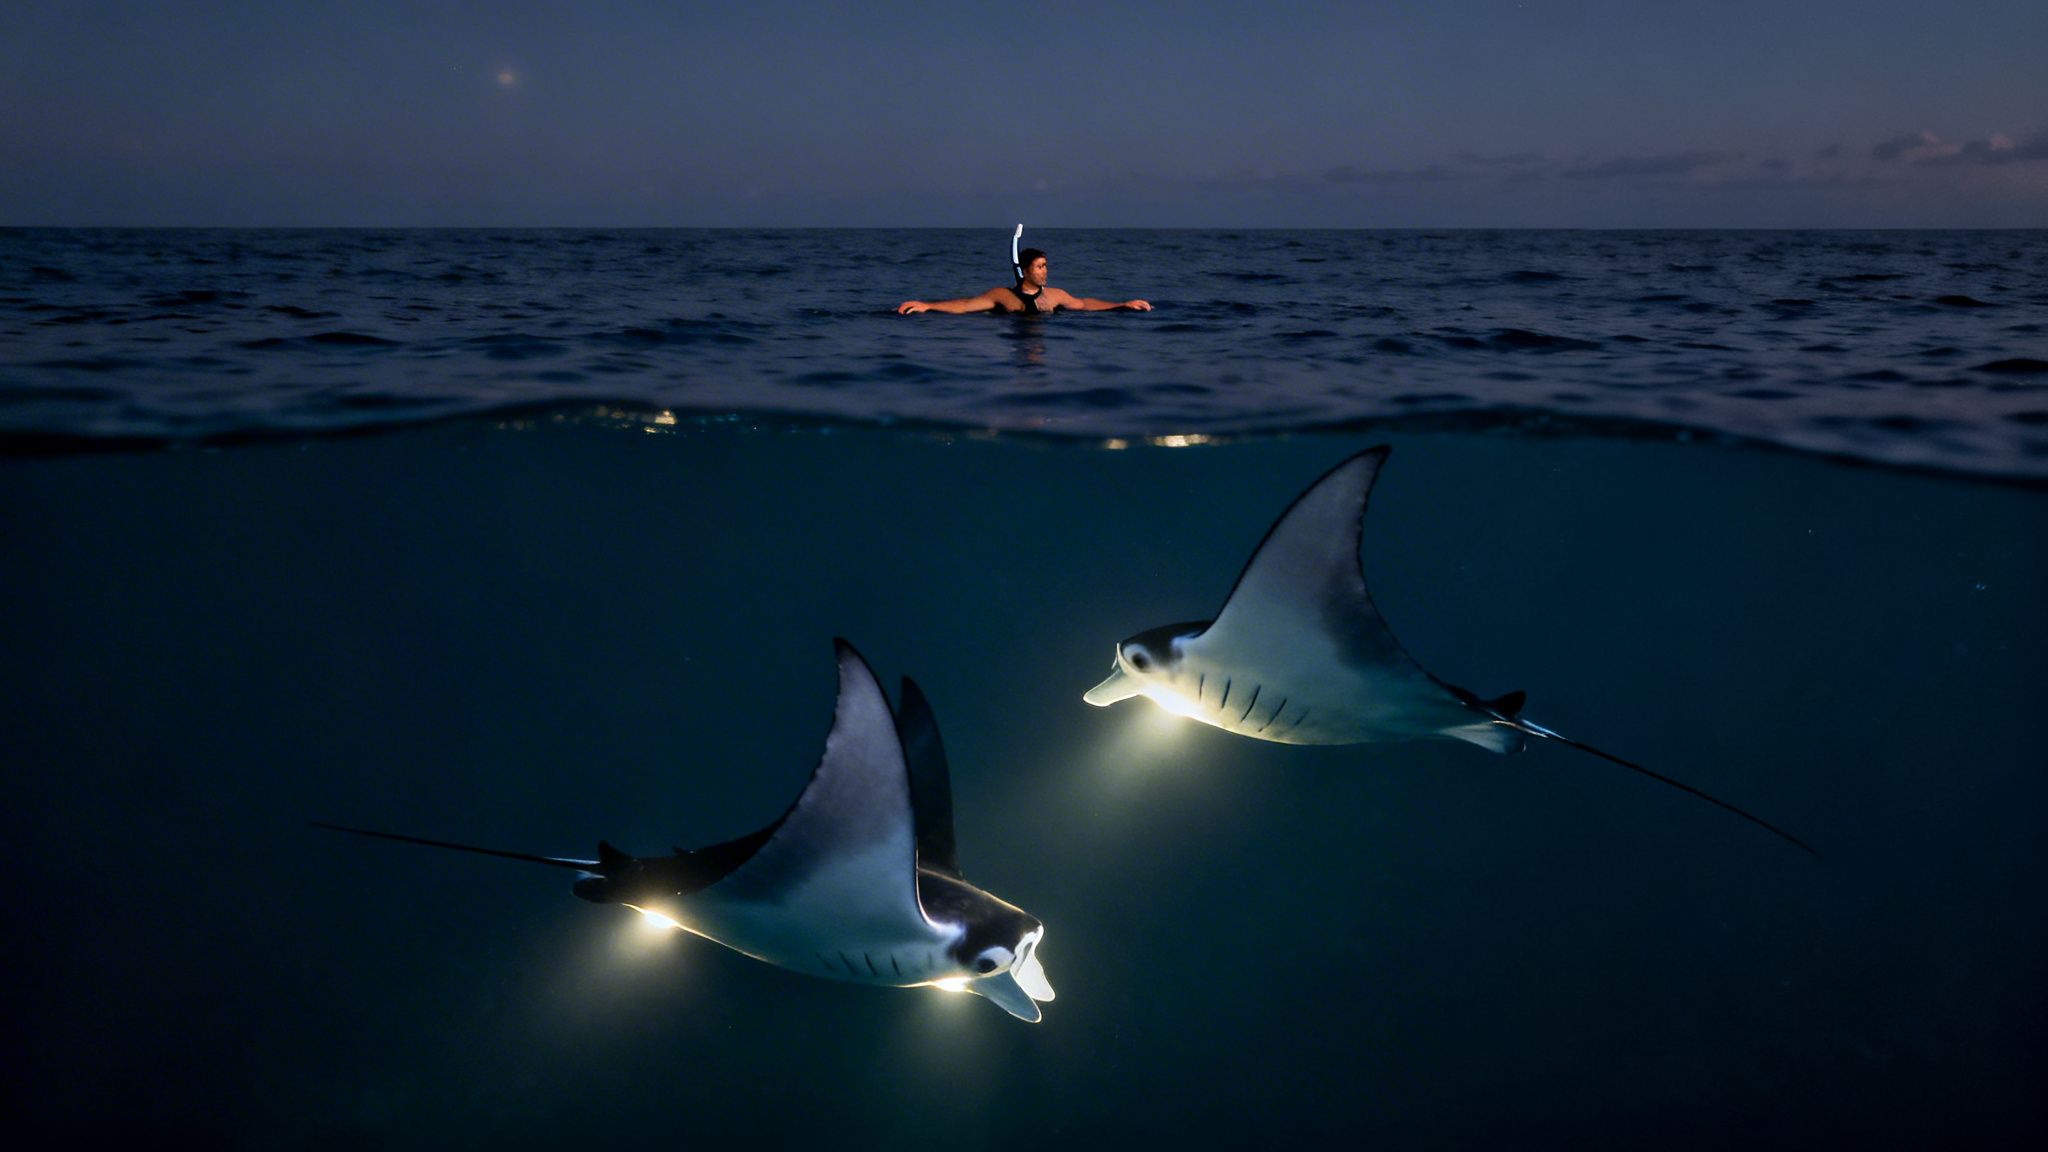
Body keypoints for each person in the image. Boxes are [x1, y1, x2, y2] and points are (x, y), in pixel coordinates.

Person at [897, 248, 1151, 315]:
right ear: (1025, 270)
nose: (1045, 272)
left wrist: (1121, 305)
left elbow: (1083, 304)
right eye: (1040, 267)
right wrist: (927, 305)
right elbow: (965, 305)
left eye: (1046, 266)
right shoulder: (1002, 295)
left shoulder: (1054, 295)